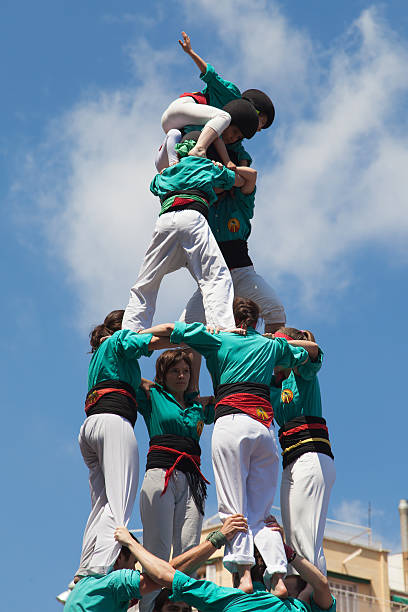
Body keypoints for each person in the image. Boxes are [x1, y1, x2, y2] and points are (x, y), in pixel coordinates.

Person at [137, 298, 318, 596]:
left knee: (233, 510)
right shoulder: (269, 344)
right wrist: (274, 339)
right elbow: (312, 351)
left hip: (232, 422)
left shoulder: (217, 337)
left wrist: (136, 338)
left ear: (229, 317)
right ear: (257, 321)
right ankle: (277, 577)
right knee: (261, 515)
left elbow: (170, 330)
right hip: (263, 427)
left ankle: (245, 574)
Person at [73, 311, 174, 581]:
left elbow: (144, 386)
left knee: (101, 504)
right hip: (113, 424)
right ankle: (100, 568)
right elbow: (161, 332)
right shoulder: (119, 340)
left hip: (90, 427)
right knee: (119, 505)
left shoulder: (101, 354)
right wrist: (192, 338)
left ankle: (85, 567)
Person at [122, 142, 257, 333]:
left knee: (147, 280)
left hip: (164, 221)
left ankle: (130, 329)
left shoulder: (166, 173)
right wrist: (221, 166)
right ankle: (223, 327)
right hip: (192, 217)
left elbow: (154, 186)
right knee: (215, 275)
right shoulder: (205, 166)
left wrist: (171, 170)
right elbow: (240, 181)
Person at [137, 349, 215, 612]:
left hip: (193, 481)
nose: (181, 375)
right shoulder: (153, 395)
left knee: (189, 549)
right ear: (163, 374)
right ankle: (145, 608)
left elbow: (229, 401)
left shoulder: (198, 407)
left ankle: (184, 607)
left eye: (185, 371)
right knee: (157, 551)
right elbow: (131, 375)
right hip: (161, 475)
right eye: (174, 371)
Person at [114, 520, 336, 612]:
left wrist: (130, 542)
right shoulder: (294, 608)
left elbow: (163, 574)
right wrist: (286, 552)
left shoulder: (222, 599)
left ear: (234, 572)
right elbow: (322, 584)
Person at [181, 149, 286, 333]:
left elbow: (252, 176)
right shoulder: (200, 204)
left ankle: (269, 356)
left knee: (274, 310)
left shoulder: (240, 201)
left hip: (242, 273)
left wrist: (224, 169)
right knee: (187, 328)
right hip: (212, 278)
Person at [65, 515, 248, 611]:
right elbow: (164, 575)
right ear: (119, 558)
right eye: (134, 562)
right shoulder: (114, 583)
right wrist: (217, 540)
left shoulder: (85, 587)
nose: (135, 569)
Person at [269, 327, 336, 576]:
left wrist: (286, 343)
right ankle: (305, 595)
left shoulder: (303, 372)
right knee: (295, 541)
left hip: (311, 457)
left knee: (307, 542)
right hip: (291, 462)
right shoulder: (274, 383)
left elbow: (314, 351)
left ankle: (314, 598)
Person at [155, 32, 271, 171]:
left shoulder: (230, 133)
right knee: (224, 117)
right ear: (254, 109)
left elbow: (239, 151)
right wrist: (190, 52)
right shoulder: (232, 96)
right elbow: (210, 76)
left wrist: (241, 167)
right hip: (181, 109)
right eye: (261, 122)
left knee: (193, 138)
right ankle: (199, 149)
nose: (259, 129)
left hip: (174, 128)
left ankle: (174, 157)